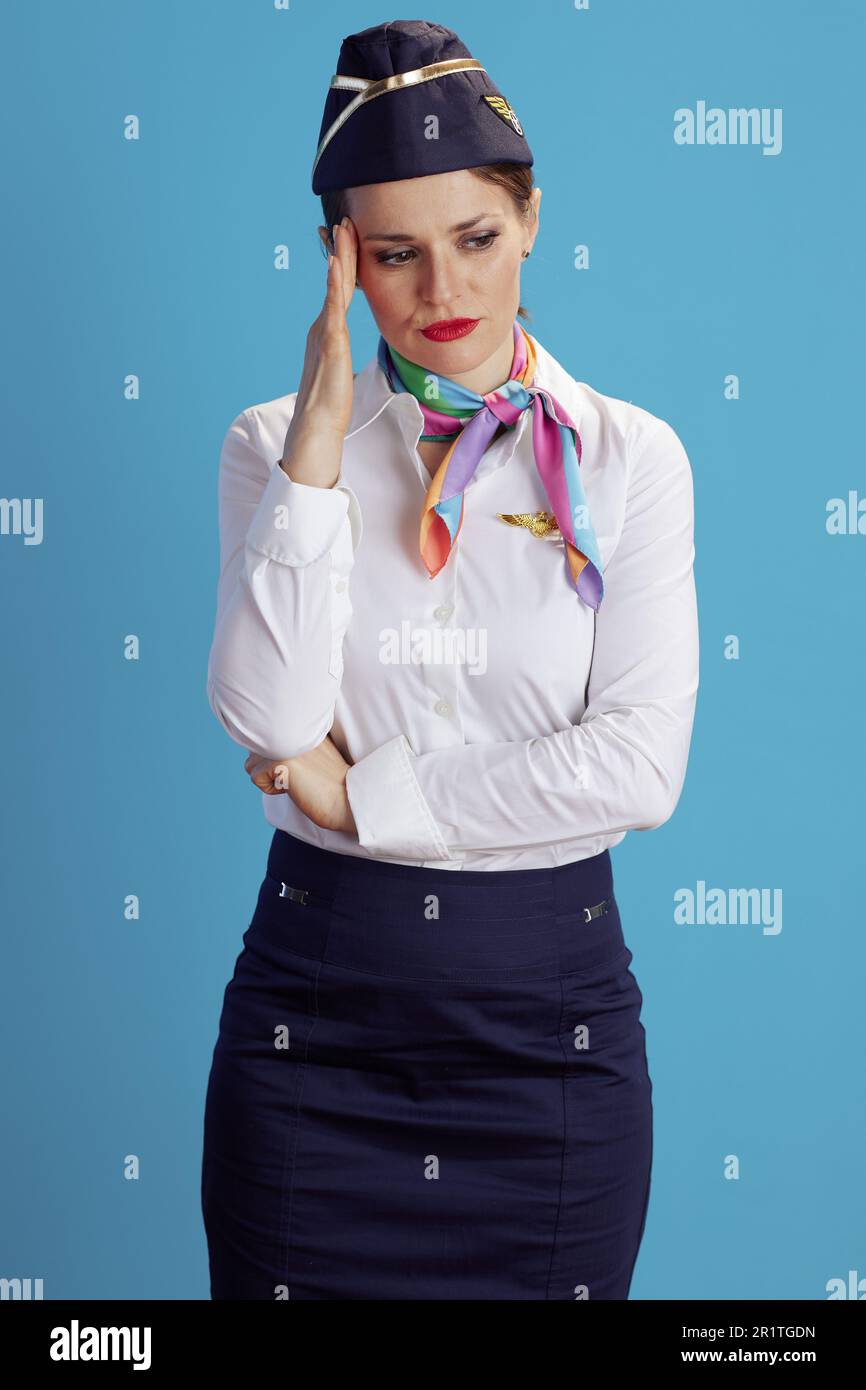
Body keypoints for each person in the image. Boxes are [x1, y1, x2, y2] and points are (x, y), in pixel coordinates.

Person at [200, 19, 699, 1301]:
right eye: (393, 254)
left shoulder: (631, 458)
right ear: (339, 261)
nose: (441, 293)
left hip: (552, 1038)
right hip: (313, 1024)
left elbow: (636, 772)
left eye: (475, 239)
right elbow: (265, 714)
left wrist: (361, 793)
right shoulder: (268, 445)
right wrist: (319, 447)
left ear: (530, 218)